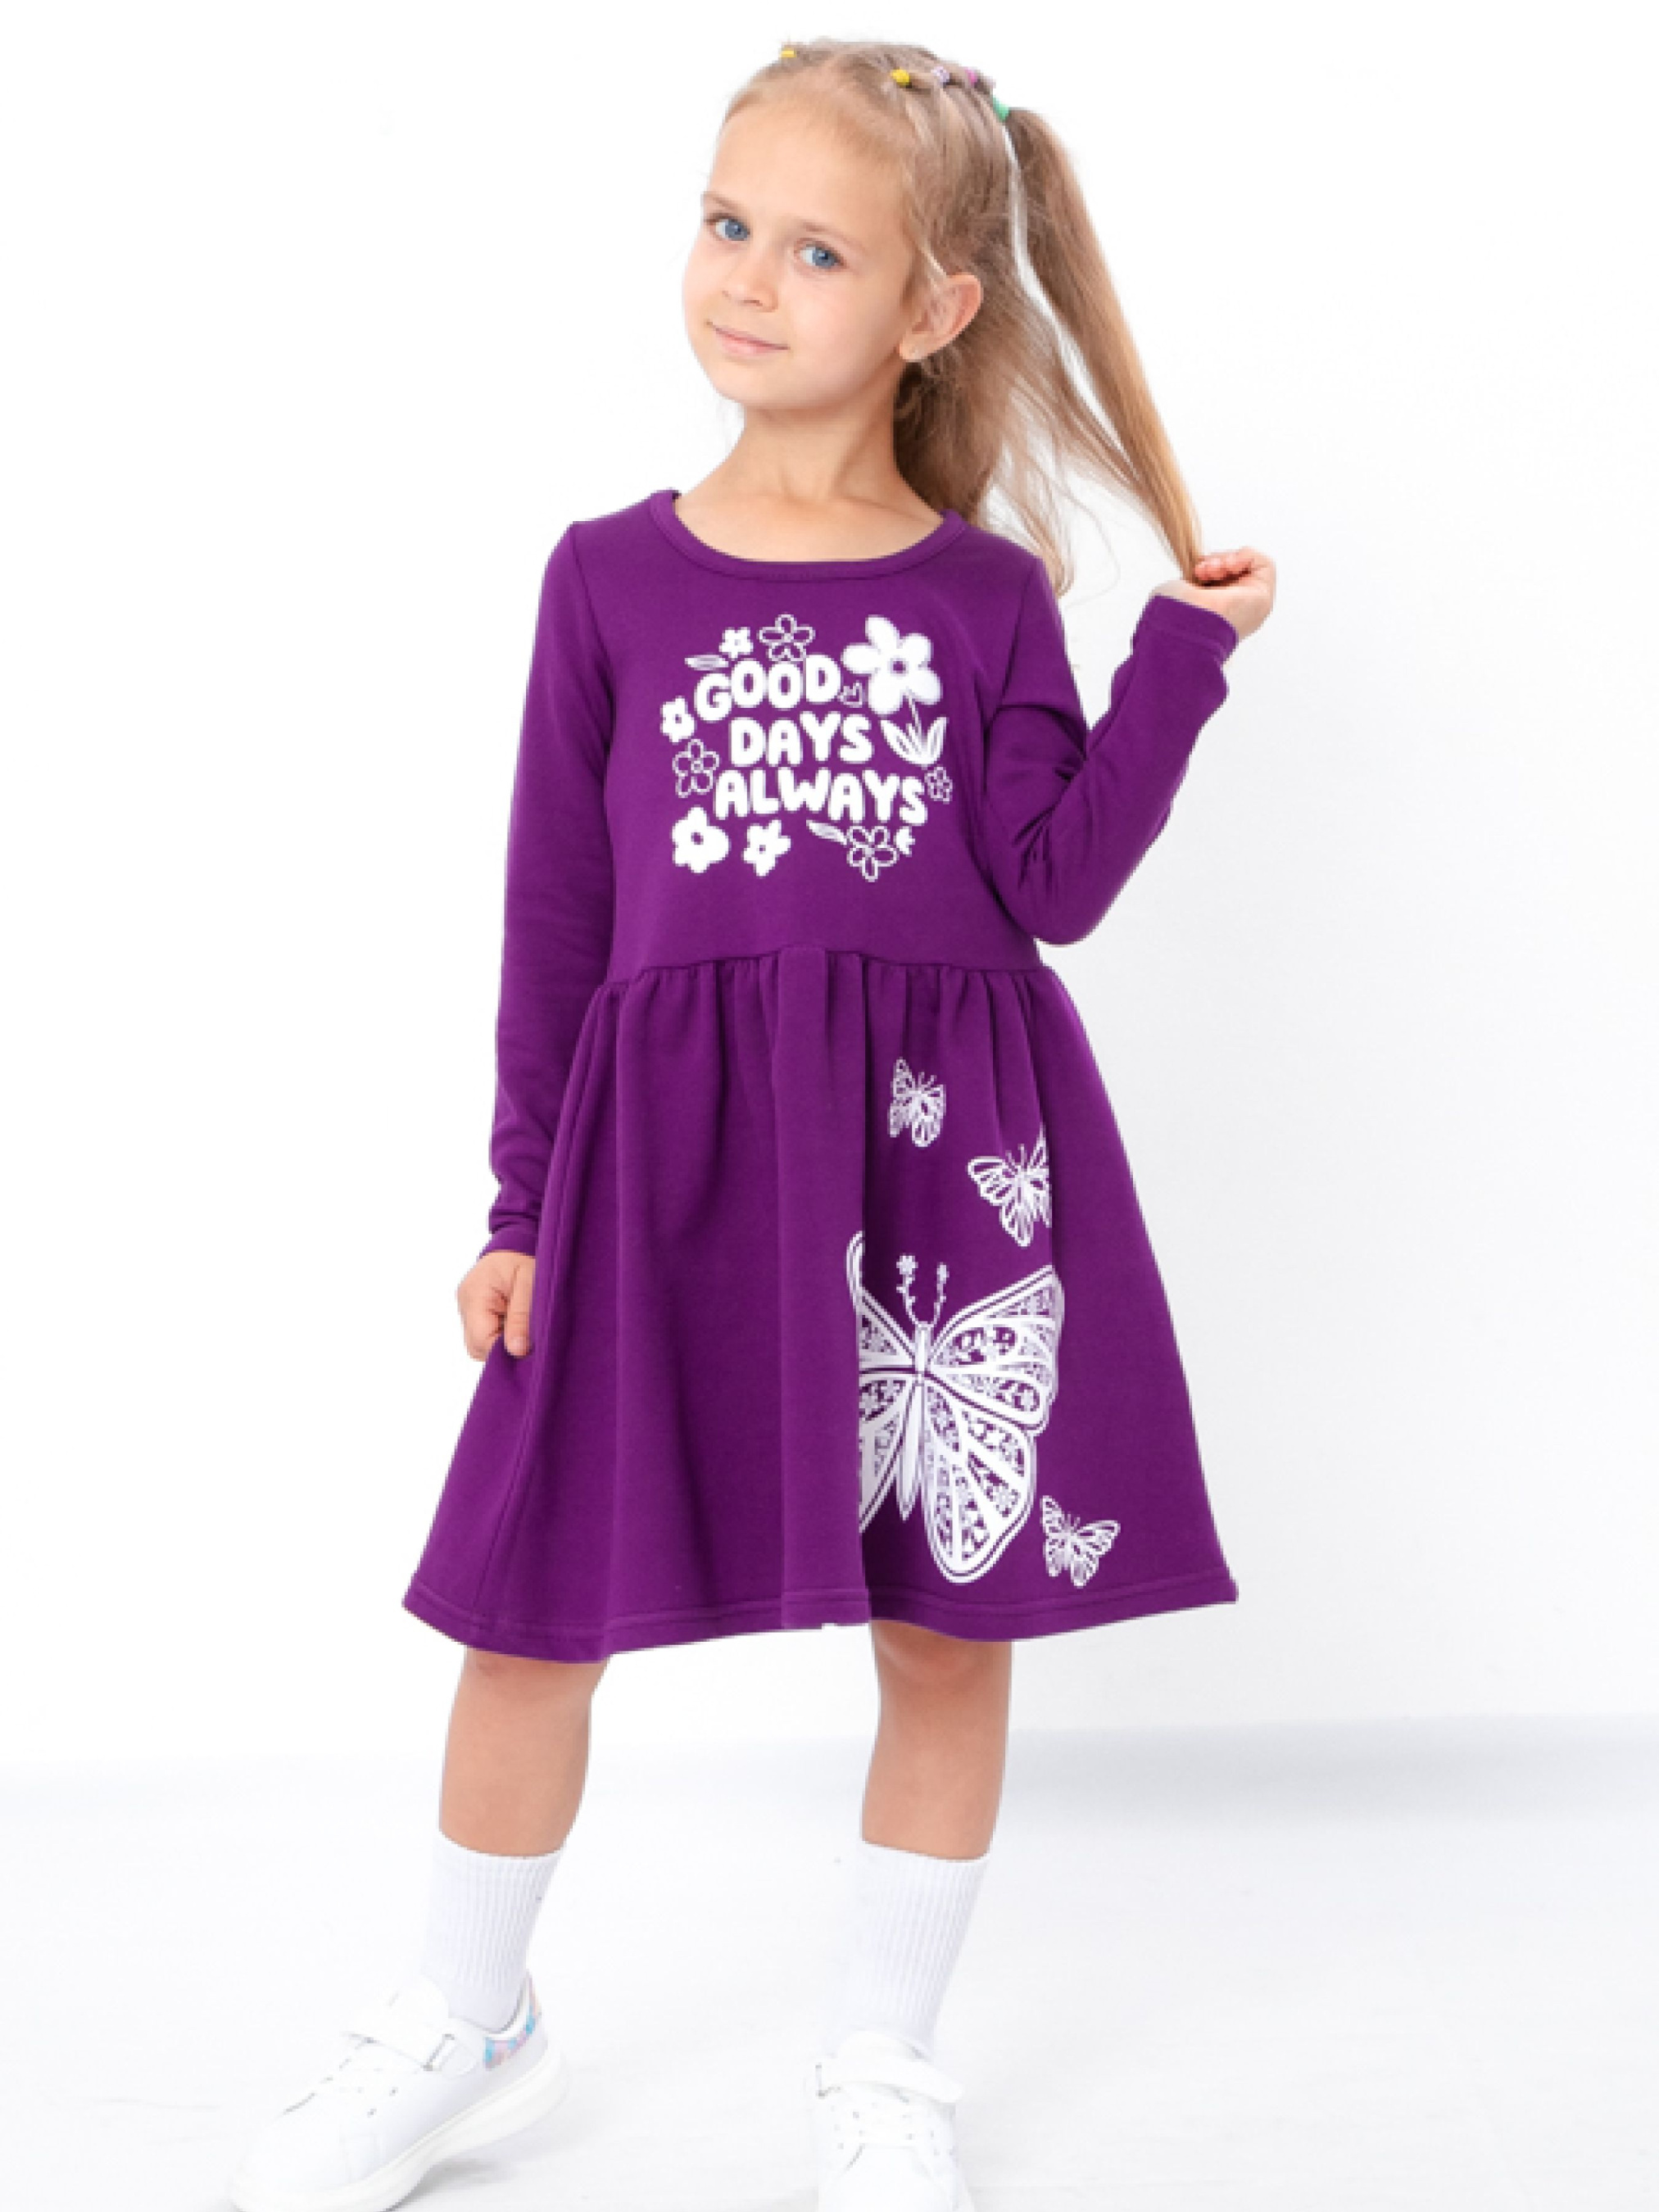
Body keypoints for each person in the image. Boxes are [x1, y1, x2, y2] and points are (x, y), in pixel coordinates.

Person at [228, 34, 1276, 2212]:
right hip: (667, 1173)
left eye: (815, 251)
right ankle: (464, 2022)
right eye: (726, 225)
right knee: (530, 1604)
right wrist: (519, 1204)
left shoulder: (985, 597)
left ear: (931, 309)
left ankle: (881, 2065)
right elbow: (558, 914)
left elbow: (1053, 883)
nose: (745, 278)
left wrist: (1181, 660)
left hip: (932, 1166)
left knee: (946, 1624)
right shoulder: (606, 577)